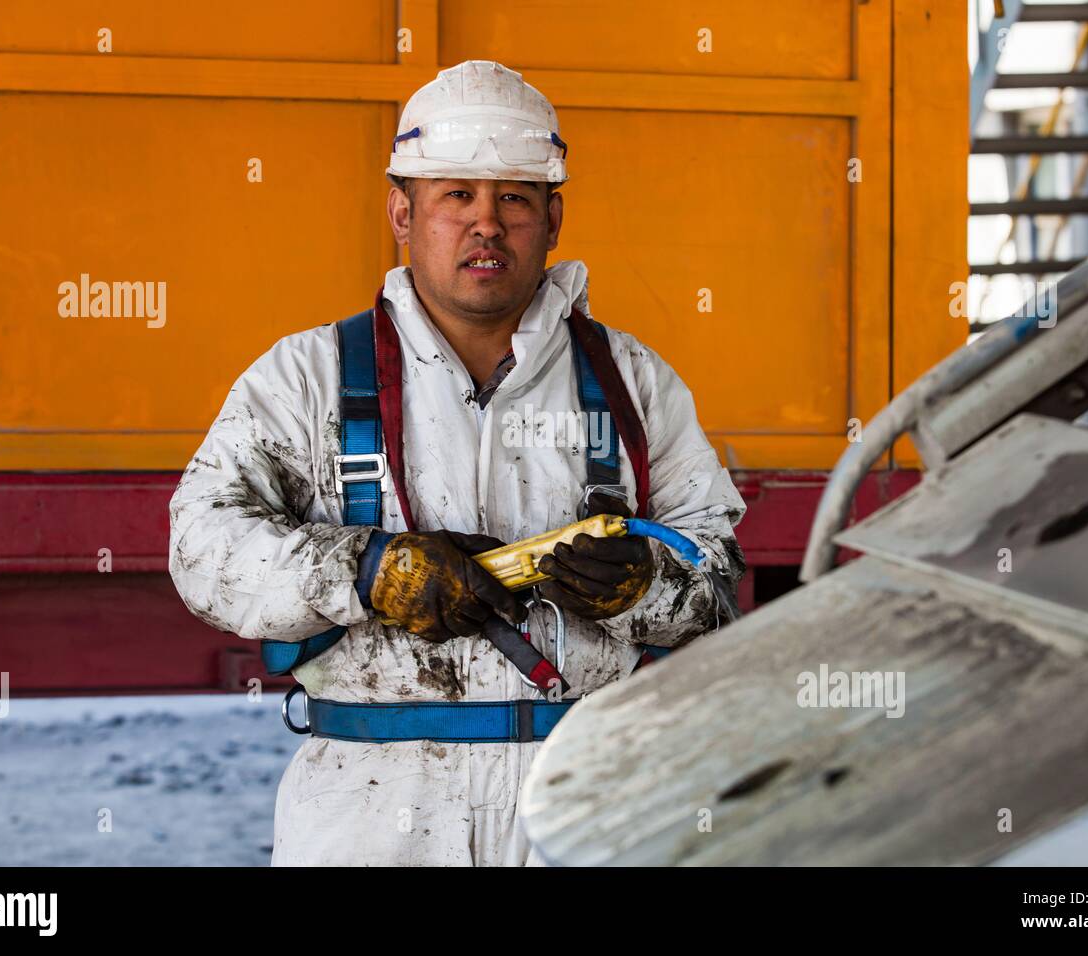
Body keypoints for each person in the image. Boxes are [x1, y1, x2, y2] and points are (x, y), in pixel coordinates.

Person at [168, 59, 746, 866]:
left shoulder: (633, 385)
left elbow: (716, 576)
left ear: (553, 217)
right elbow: (203, 546)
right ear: (403, 213)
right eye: (456, 197)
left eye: (514, 197)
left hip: (590, 800)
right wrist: (365, 571)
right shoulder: (307, 378)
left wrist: (645, 587)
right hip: (371, 807)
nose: (486, 224)